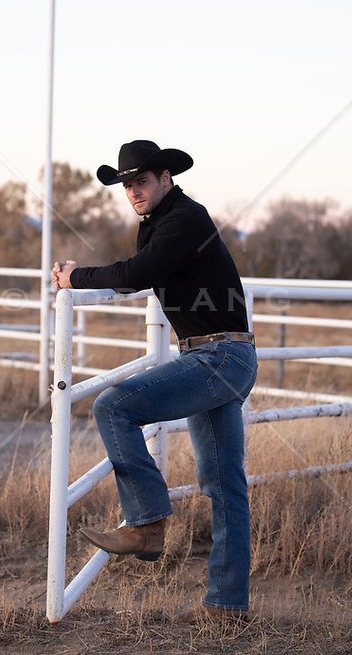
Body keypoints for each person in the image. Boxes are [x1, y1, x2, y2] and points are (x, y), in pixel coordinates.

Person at [52, 140, 257, 620]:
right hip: (221, 354)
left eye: (141, 181)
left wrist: (74, 277)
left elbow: (139, 273)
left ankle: (146, 522)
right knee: (225, 484)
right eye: (126, 184)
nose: (133, 191)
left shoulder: (185, 219)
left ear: (166, 178)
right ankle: (227, 605)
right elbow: (137, 275)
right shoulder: (159, 225)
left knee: (113, 406)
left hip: (219, 356)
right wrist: (95, 276)